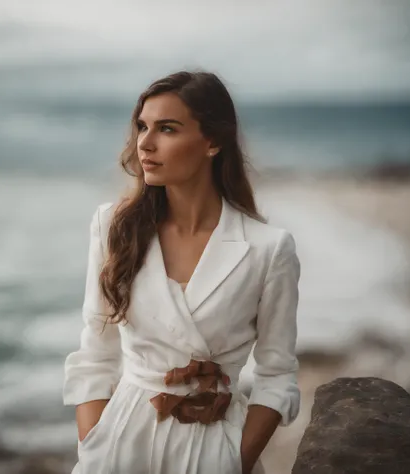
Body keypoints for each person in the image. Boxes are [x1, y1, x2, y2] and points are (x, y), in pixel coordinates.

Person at [63, 70, 301, 474]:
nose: (145, 143)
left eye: (167, 129)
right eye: (142, 126)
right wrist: (94, 446)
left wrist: (233, 461)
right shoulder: (113, 228)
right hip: (120, 446)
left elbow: (277, 376)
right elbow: (94, 355)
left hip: (215, 448)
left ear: (212, 141)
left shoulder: (268, 248)